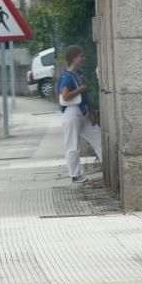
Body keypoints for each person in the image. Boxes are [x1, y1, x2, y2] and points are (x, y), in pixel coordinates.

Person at [58, 45, 102, 183]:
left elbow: (86, 96)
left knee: (99, 137)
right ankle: (75, 176)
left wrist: (92, 111)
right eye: (81, 56)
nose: (83, 59)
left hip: (82, 112)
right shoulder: (67, 77)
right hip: (72, 112)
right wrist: (80, 89)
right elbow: (65, 96)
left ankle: (107, 167)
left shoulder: (79, 75)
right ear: (73, 58)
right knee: (72, 145)